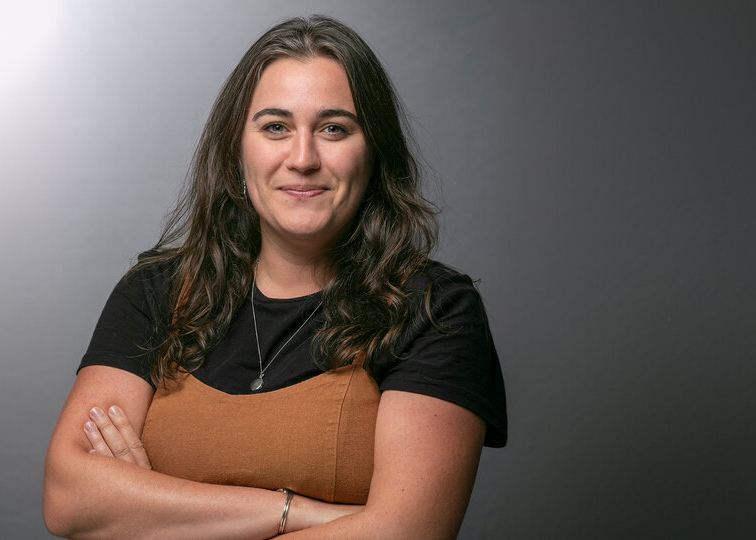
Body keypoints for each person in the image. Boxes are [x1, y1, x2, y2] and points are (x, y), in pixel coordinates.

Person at [43, 15, 506, 539]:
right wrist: (296, 511)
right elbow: (68, 498)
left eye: (334, 128)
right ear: (237, 151)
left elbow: (405, 534)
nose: (303, 158)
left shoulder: (433, 309)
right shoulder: (156, 292)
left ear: (373, 152)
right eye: (275, 127)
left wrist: (151, 515)